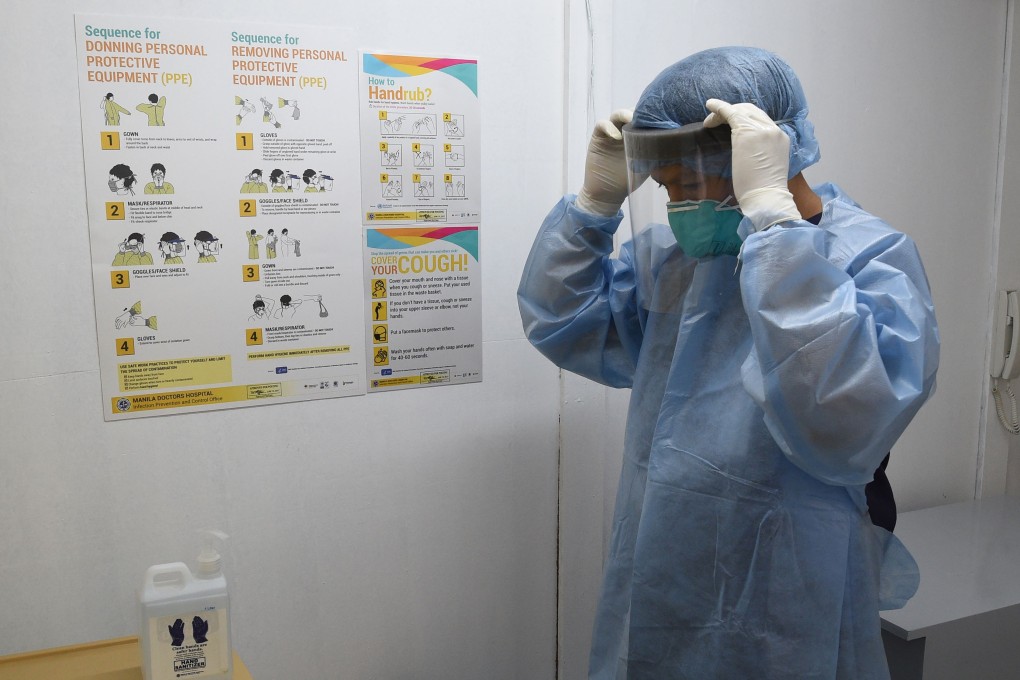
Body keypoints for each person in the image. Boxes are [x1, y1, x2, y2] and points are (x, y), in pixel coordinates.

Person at [518, 46, 940, 679]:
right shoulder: (678, 259)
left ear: (757, 158)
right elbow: (565, 320)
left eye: (688, 185)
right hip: (666, 561)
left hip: (790, 581)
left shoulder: (866, 257)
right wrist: (593, 208)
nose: (676, 208)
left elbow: (845, 420)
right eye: (664, 190)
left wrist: (775, 229)